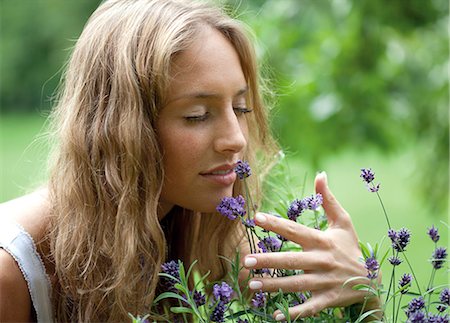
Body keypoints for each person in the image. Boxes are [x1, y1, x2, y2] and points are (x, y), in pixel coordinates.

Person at [0, 0, 379, 321]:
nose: (236, 139)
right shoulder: (12, 273)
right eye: (197, 114)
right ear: (121, 129)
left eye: (241, 107)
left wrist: (363, 289)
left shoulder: (208, 232)